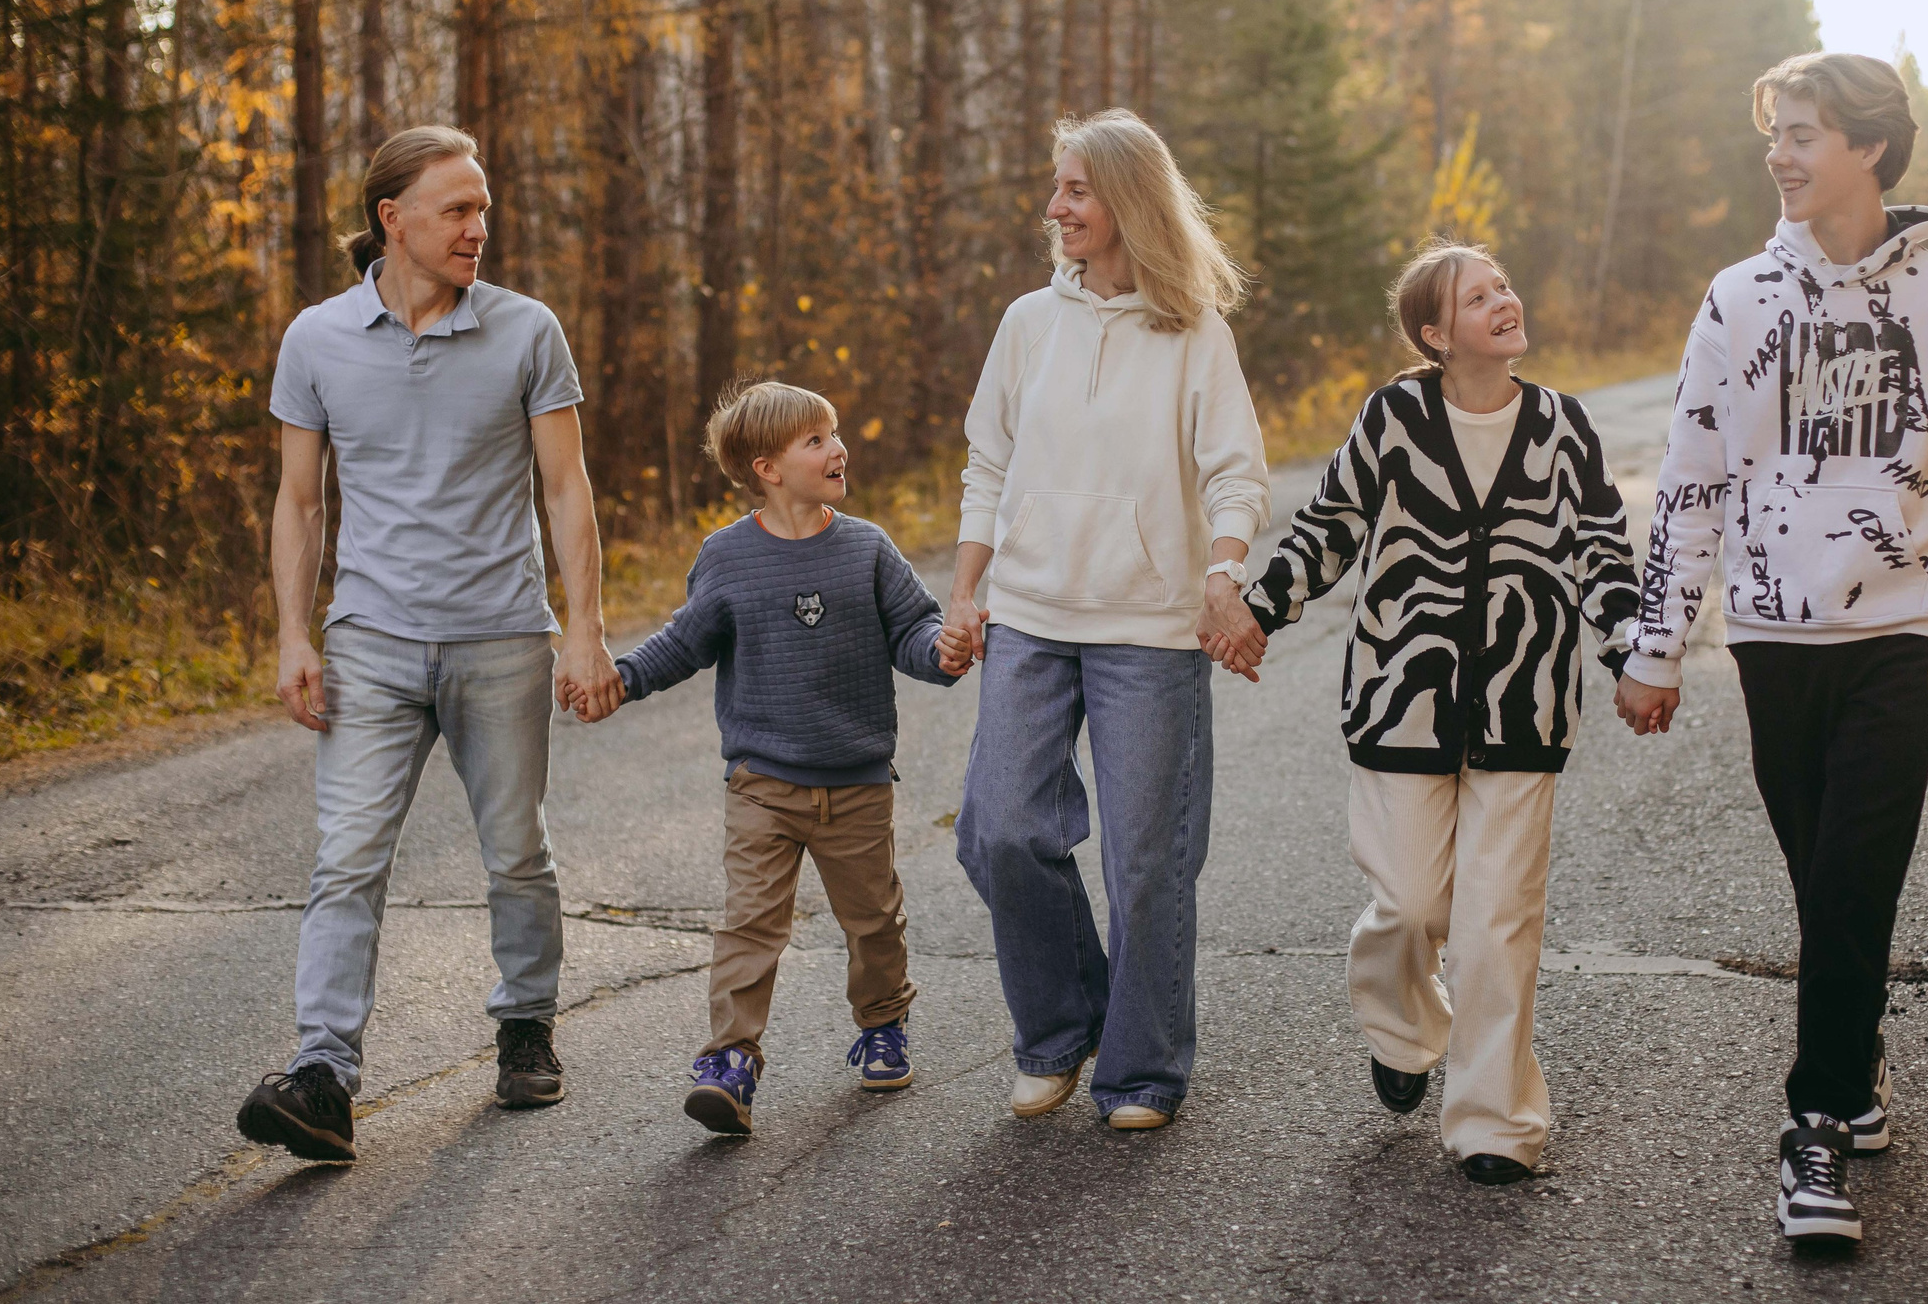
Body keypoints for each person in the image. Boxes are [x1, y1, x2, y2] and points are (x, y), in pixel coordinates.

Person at [1615, 53, 1928, 1245]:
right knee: (1823, 871)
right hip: (1773, 632)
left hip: (1900, 629)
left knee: (1855, 871)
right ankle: (1853, 1045)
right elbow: (1690, 485)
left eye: (1804, 133)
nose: (1780, 154)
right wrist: (1656, 644)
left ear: (1869, 148)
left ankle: (1813, 1129)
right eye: (1775, 133)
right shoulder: (1736, 300)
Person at [237, 125, 623, 1165]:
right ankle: (323, 1074)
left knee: (516, 853)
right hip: (369, 640)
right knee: (346, 858)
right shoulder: (316, 340)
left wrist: (583, 630)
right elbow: (301, 502)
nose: (478, 227)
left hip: (501, 635)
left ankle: (525, 1026)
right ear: (390, 220)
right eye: (456, 209)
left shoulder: (525, 330)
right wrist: (290, 633)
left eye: (483, 207)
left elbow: (565, 489)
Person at [1240, 242, 1639, 1185]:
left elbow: (1603, 552)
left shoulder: (1562, 425)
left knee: (1498, 922)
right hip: (1400, 700)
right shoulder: (1393, 416)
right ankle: (1404, 1025)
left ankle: (1495, 1121)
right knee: (1412, 902)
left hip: (1524, 705)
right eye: (1479, 295)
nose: (1505, 298)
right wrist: (1258, 609)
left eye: (1505, 283)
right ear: (1435, 333)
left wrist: (1633, 653)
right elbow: (1330, 525)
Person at [941, 109, 1271, 1131]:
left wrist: (1224, 571)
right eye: (1057, 188)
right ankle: (1061, 1024)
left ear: (1128, 198)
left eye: (1076, 189)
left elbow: (1236, 474)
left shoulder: (1192, 333)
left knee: (1147, 861)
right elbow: (987, 465)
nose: (1056, 207)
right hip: (1031, 613)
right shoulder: (1027, 325)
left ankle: (1141, 1071)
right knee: (997, 831)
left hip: (1152, 630)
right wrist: (966, 587)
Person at [594, 381, 964, 1136]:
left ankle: (884, 1022)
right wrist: (624, 677)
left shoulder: (866, 546)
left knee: (873, 921)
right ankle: (731, 1059)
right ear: (767, 467)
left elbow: (915, 633)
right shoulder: (727, 556)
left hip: (856, 780)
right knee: (751, 924)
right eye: (817, 440)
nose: (838, 448)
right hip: (761, 780)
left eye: (833, 433)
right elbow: (684, 641)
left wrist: (945, 652)